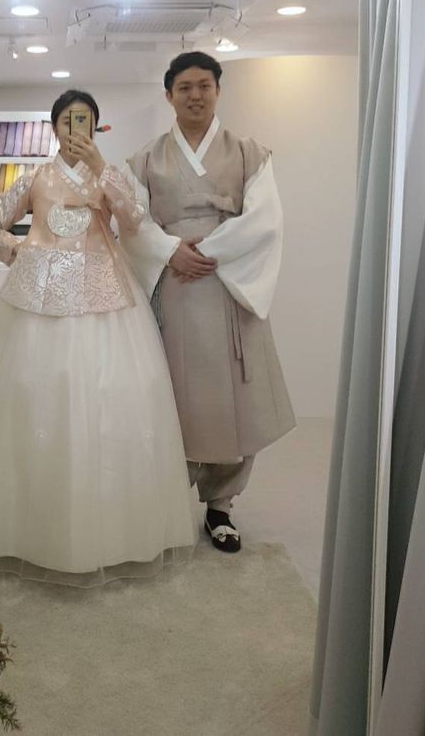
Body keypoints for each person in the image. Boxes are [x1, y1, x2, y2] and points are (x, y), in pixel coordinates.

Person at [0, 90, 195, 584]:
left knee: (107, 400)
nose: (73, 130)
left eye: (82, 121)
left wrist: (102, 168)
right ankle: (28, 530)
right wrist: (16, 252)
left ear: (95, 127)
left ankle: (110, 533)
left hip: (104, 294)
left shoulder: (109, 174)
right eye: (66, 121)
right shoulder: (34, 178)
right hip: (37, 299)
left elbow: (135, 219)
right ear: (53, 127)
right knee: (34, 399)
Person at [121, 52, 295, 553]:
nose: (195, 95)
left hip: (227, 284)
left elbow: (265, 220)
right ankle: (168, 503)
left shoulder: (249, 153)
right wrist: (169, 251)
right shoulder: (145, 159)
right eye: (184, 87)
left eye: (204, 85)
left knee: (237, 398)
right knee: (172, 396)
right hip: (172, 287)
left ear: (218, 90)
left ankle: (221, 506)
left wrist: (209, 252)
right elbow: (131, 221)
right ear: (169, 95)